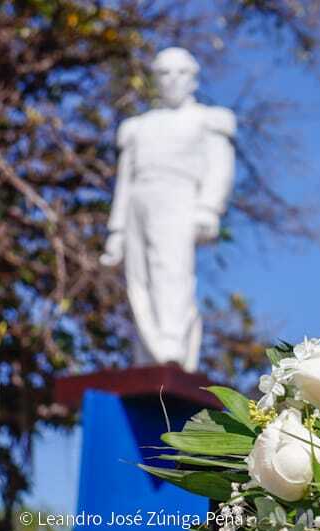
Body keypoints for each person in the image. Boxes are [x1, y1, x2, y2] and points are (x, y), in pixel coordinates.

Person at [100, 47, 236, 372]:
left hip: (179, 195)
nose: (172, 80)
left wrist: (208, 208)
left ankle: (172, 340)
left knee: (171, 269)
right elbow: (126, 180)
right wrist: (117, 230)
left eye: (179, 73)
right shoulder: (139, 126)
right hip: (139, 201)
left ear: (193, 79)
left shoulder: (207, 120)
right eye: (164, 73)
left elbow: (220, 167)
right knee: (139, 275)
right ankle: (147, 351)